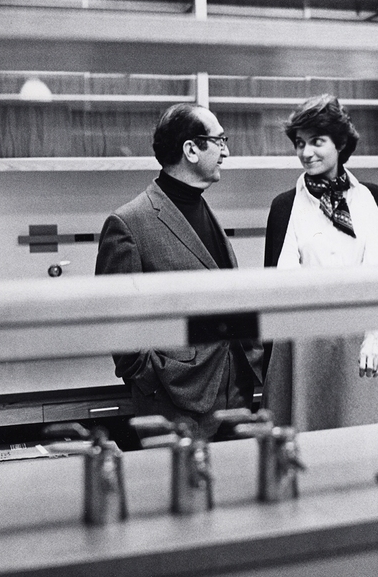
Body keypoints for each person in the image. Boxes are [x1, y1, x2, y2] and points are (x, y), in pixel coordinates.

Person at [95, 103, 263, 440]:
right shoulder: (129, 223)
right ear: (191, 149)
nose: (226, 151)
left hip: (235, 396)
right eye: (220, 140)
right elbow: (114, 321)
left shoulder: (200, 206)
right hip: (176, 403)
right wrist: (153, 379)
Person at [262, 94, 378, 431]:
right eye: (300, 143)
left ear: (340, 144)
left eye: (317, 141)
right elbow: (281, 278)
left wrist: (374, 337)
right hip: (302, 340)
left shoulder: (368, 197)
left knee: (360, 441)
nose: (306, 152)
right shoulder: (286, 204)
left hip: (357, 339)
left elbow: (376, 269)